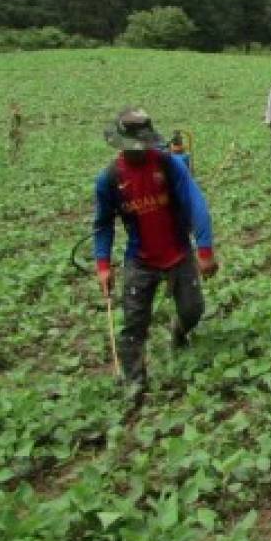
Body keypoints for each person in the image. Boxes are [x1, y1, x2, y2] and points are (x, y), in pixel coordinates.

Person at [94, 108, 219, 404]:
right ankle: (134, 381)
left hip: (178, 252)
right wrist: (102, 265)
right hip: (140, 259)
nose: (138, 152)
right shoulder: (110, 179)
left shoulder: (169, 165)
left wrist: (204, 249)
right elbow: (102, 224)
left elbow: (195, 202)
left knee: (193, 309)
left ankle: (179, 332)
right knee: (134, 324)